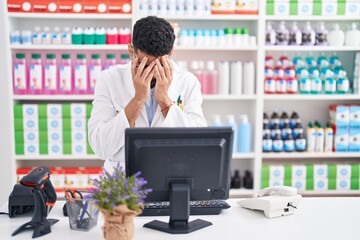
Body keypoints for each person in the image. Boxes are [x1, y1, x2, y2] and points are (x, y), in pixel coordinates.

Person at [88, 16, 207, 169]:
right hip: (123, 180)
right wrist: (138, 99)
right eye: (145, 66)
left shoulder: (188, 82)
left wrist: (164, 100)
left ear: (170, 52)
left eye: (158, 66)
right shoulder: (109, 79)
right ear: (131, 51)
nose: (151, 73)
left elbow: (199, 143)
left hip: (170, 174)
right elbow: (100, 147)